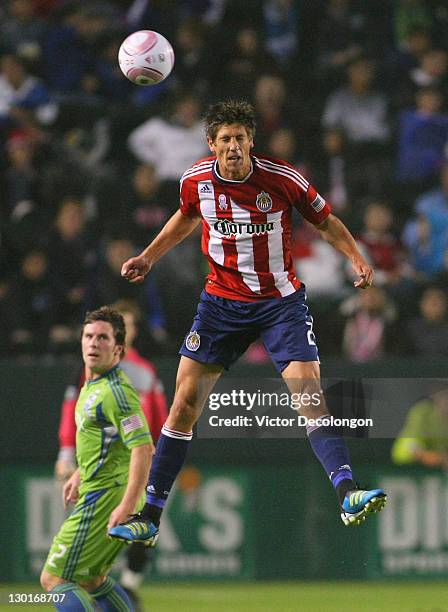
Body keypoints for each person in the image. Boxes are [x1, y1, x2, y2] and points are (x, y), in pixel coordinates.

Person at [109, 100, 386, 547]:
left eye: (240, 138)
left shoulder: (280, 179)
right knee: (182, 405)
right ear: (211, 144)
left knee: (308, 394)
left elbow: (326, 221)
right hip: (221, 305)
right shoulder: (196, 180)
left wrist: (356, 257)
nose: (233, 146)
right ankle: (151, 515)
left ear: (251, 141)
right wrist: (148, 256)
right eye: (225, 139)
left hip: (280, 302)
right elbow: (186, 216)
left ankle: (348, 493)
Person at [54, 299, 168, 609]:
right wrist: (77, 469)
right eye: (89, 336)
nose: (93, 343)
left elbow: (146, 441)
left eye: (103, 337)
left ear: (119, 344)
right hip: (99, 481)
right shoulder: (91, 381)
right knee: (92, 579)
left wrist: (130, 503)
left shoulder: (122, 386)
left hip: (109, 491)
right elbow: (98, 431)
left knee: (56, 579)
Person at [392, 385, 448, 469]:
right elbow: (411, 445)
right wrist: (426, 455)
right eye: (444, 398)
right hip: (411, 466)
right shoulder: (422, 412)